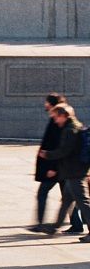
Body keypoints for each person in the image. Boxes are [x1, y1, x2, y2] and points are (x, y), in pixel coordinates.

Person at [37, 103, 90, 241]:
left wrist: (47, 155)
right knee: (66, 201)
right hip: (73, 171)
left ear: (63, 116)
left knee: (83, 203)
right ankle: (55, 227)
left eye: (56, 117)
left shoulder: (69, 130)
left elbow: (65, 151)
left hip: (75, 173)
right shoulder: (75, 126)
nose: (55, 120)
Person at [32, 93, 78, 233]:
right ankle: (75, 224)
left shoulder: (59, 123)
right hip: (60, 167)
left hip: (57, 168)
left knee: (45, 193)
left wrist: (53, 167)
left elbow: (60, 148)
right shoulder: (57, 121)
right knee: (69, 198)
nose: (45, 105)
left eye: (47, 102)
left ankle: (42, 224)